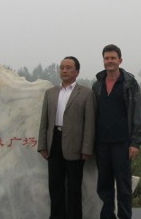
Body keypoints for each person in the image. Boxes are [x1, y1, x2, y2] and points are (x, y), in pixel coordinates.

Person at [92, 44, 141, 219]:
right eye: (106, 58)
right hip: (101, 143)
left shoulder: (129, 84)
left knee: (123, 186)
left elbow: (137, 112)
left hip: (122, 143)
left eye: (113, 58)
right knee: (104, 186)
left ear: (120, 60)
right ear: (103, 61)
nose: (109, 61)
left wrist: (135, 142)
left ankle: (124, 216)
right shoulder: (97, 85)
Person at [38, 56, 96, 219]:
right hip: (54, 142)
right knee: (55, 186)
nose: (64, 70)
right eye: (62, 67)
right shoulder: (50, 93)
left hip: (75, 146)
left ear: (77, 71)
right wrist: (42, 144)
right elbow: (44, 121)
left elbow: (90, 123)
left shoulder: (86, 93)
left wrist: (86, 148)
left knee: (74, 188)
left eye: (69, 67)